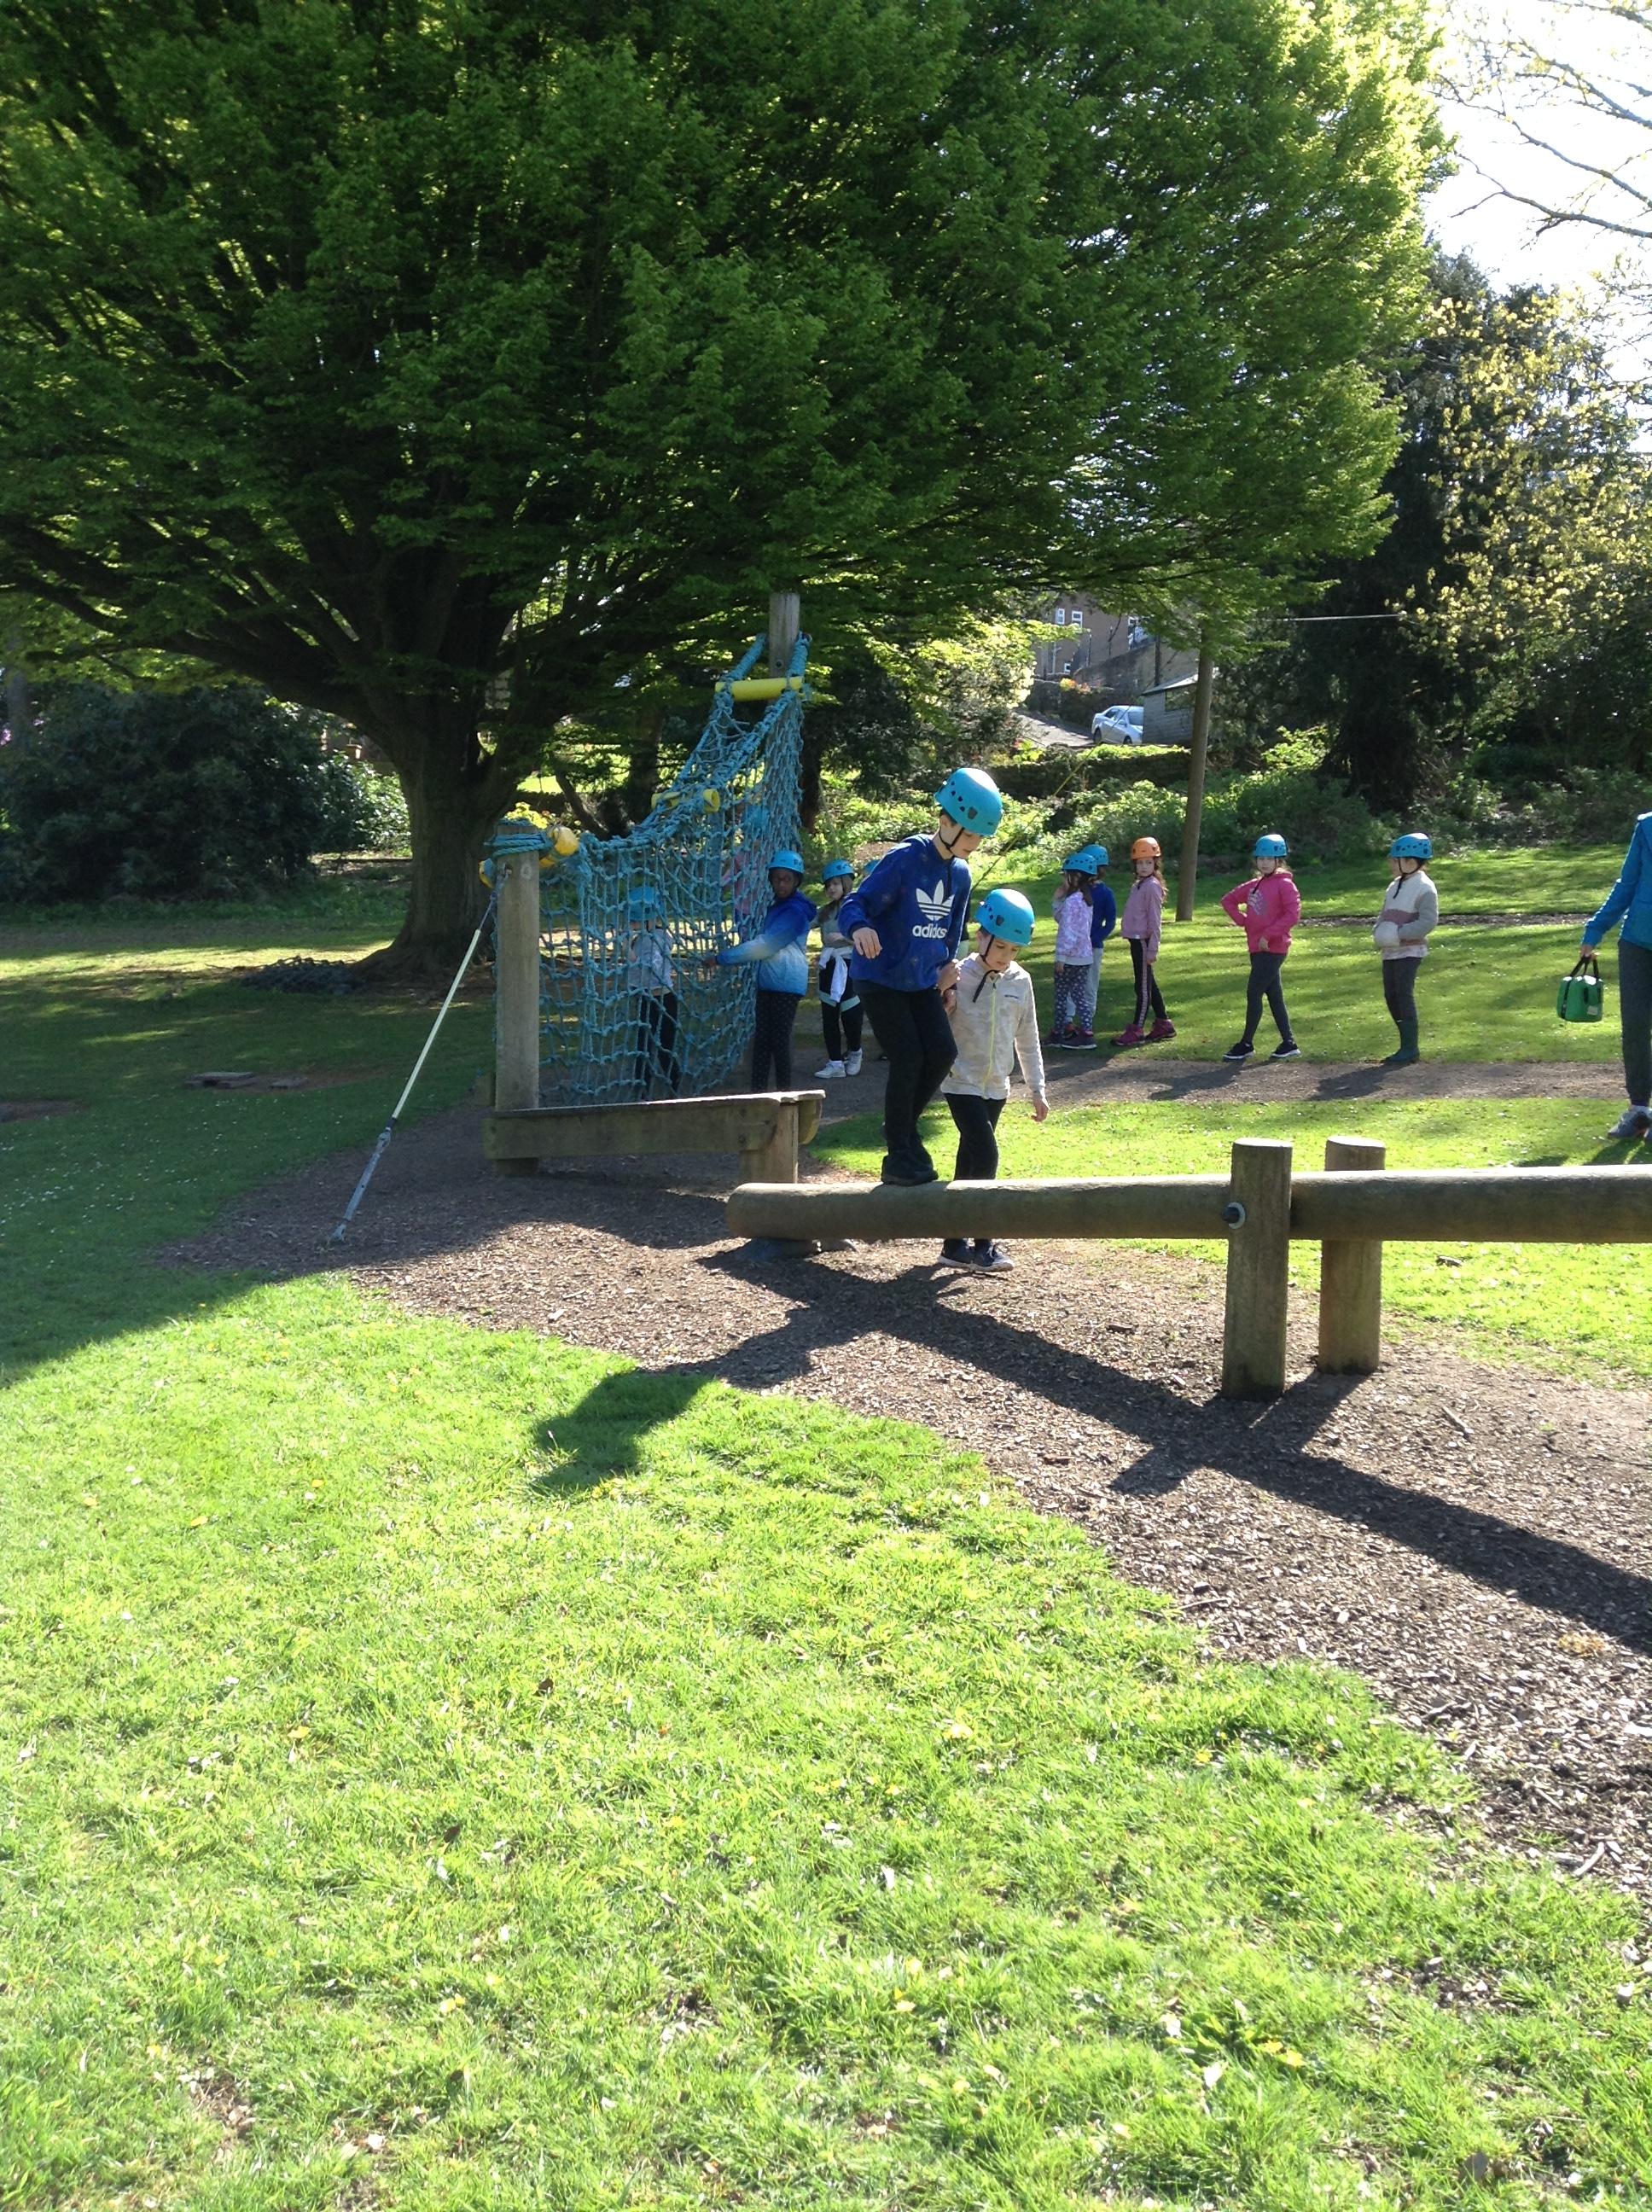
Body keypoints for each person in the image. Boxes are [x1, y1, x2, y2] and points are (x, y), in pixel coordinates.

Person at [839, 766, 1001, 1185]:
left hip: (922, 982)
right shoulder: (906, 859)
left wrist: (948, 977)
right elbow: (855, 903)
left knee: (942, 1052)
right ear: (946, 821)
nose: (975, 844)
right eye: (971, 835)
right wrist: (861, 929)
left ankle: (900, 1128)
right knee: (909, 1055)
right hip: (880, 976)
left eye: (980, 838)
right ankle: (900, 1152)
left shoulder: (960, 874)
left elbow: (951, 934)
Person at [938, 888, 1048, 1272]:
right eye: (1000, 946)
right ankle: (983, 1244)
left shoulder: (1021, 981)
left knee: (969, 1157)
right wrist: (942, 996)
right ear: (980, 935)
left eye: (1014, 950)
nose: (1006, 956)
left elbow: (1028, 1037)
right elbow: (933, 1023)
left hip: (997, 1087)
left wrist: (1037, 1089)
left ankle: (953, 1245)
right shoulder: (958, 974)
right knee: (986, 1153)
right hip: (960, 1082)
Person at [709, 849, 817, 1089]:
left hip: (786, 984)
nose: (781, 884)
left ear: (796, 881)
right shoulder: (779, 906)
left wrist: (722, 958)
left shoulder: (794, 912)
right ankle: (758, 1091)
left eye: (787, 879)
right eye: (777, 879)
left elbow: (765, 946)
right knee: (763, 1040)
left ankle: (784, 1093)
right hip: (769, 981)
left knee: (779, 1041)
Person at [1581, 808, 1652, 1140]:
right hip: (1636, 942)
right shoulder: (1647, 827)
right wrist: (1595, 930)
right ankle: (1639, 1110)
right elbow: (1628, 883)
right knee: (1635, 1028)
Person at [1219, 833, 1302, 1062]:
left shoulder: (1285, 885)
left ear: (1279, 860)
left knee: (1254, 992)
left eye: (1269, 859)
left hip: (1273, 949)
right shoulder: (1255, 885)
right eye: (1260, 858)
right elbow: (1228, 900)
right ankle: (1289, 1043)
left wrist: (1269, 934)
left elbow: (1292, 915)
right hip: (1256, 948)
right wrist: (1243, 921)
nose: (1264, 863)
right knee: (1274, 995)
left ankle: (1246, 1043)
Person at [1373, 831, 1438, 1066]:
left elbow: (1428, 922)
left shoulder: (1424, 888)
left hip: (1410, 951)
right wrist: (1379, 930)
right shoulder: (1394, 886)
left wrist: (1400, 934)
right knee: (1391, 995)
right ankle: (1405, 1044)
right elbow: (1385, 913)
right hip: (1390, 950)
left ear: (1410, 862)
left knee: (1403, 993)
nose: (1391, 864)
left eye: (1395, 860)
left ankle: (1410, 1048)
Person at [1113, 835, 1173, 1046]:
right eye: (1140, 863)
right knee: (1148, 983)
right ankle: (1164, 1023)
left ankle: (1137, 1029)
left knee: (1143, 988)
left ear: (1155, 863)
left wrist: (1153, 949)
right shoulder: (1139, 885)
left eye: (1148, 862)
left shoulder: (1152, 887)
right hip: (1135, 941)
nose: (1144, 867)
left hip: (1143, 942)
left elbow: (1155, 921)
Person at [625, 886, 680, 1097]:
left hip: (663, 1001)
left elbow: (652, 967)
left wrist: (627, 951)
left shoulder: (659, 937)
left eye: (635, 921)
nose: (631, 924)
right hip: (645, 1000)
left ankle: (674, 1085)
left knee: (665, 1048)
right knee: (643, 1048)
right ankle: (642, 1091)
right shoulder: (641, 938)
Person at [813, 859, 864, 1079]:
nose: (831, 889)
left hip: (851, 965)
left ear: (846, 883)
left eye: (835, 883)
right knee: (829, 1015)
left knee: (851, 1015)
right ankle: (835, 1062)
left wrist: (844, 938)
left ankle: (855, 1052)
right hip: (829, 965)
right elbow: (802, 924)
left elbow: (869, 937)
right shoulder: (825, 912)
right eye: (828, 885)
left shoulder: (857, 908)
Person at [1050, 853, 1096, 1051]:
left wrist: (1061, 957)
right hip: (1084, 957)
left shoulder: (1072, 902)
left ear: (1075, 877)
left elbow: (1066, 930)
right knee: (1079, 995)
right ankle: (1087, 1031)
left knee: (1062, 996)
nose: (1063, 880)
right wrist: (1058, 901)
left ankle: (1059, 1032)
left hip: (1069, 958)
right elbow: (1065, 921)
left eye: (1066, 876)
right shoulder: (1086, 900)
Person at [1080, 843, 1117, 1045]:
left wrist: (1097, 938)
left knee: (1090, 985)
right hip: (1076, 946)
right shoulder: (1077, 892)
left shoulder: (1106, 893)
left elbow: (1110, 922)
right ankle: (1068, 1022)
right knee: (1072, 984)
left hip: (1093, 947)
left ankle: (1087, 1024)